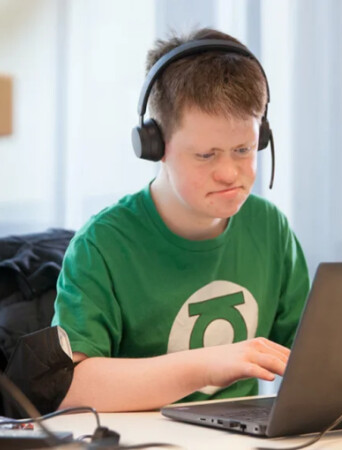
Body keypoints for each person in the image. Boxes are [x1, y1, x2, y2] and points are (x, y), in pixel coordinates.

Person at [52, 28, 310, 412]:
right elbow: (72, 387)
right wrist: (206, 366)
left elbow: (310, 355)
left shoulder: (270, 228)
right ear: (154, 146)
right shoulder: (102, 245)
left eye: (243, 149)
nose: (229, 172)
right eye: (206, 155)